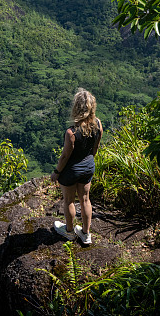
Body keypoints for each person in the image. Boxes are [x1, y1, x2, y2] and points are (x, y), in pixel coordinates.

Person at [50, 88, 103, 245]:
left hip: (71, 171)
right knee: (85, 200)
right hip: (88, 167)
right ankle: (86, 234)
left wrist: (57, 172)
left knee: (69, 201)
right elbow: (95, 148)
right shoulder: (98, 124)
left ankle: (69, 232)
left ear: (77, 108)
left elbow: (66, 156)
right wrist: (87, 162)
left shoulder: (71, 132)